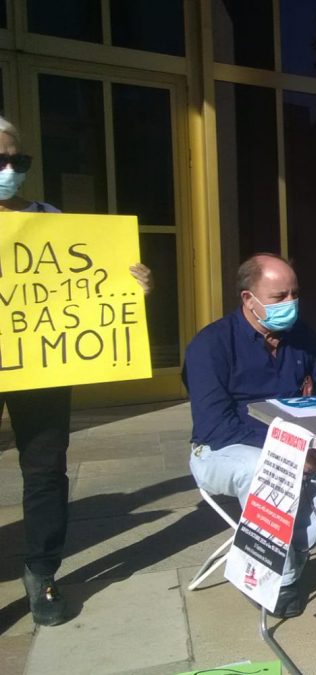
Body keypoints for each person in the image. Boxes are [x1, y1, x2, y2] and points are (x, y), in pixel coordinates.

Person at [0, 115, 151, 626]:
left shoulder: (49, 220)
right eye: (0, 160)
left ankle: (42, 571)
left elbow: (84, 283)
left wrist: (131, 283)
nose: (9, 170)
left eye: (17, 161)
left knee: (44, 470)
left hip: (39, 361)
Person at [182, 253, 316, 619]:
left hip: (302, 444)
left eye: (295, 294)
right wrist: (288, 451)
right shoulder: (210, 345)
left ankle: (280, 547)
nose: (291, 304)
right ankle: (278, 578)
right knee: (263, 470)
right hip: (224, 449)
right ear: (248, 300)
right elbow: (214, 424)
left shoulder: (304, 338)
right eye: (279, 296)